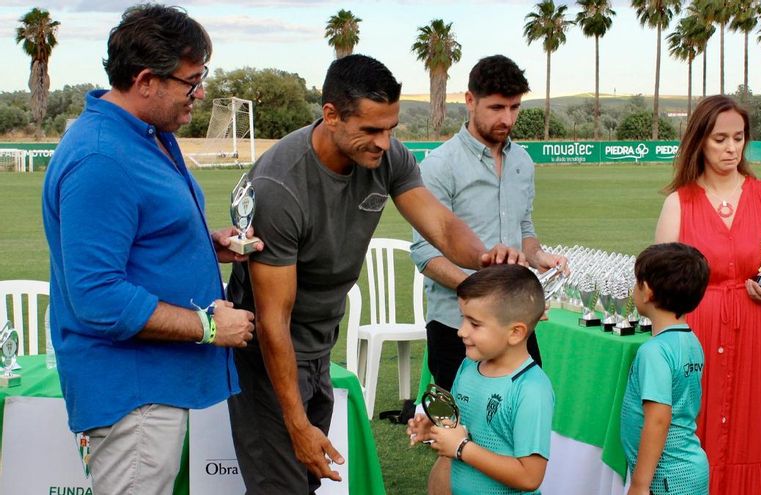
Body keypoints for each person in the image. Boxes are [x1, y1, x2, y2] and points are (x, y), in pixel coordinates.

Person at [225, 54, 525, 494]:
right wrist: (296, 422)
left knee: (304, 483)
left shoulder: (385, 156)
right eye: (370, 130)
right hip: (270, 357)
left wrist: (483, 259)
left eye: (391, 129)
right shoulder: (280, 188)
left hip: (318, 345)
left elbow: (439, 224)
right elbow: (274, 321)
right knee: (280, 487)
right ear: (330, 115)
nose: (384, 143)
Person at [41, 5, 257, 493]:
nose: (200, 93)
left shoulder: (149, 134)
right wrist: (207, 326)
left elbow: (143, 234)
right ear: (145, 81)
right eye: (191, 81)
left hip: (152, 384)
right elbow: (97, 297)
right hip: (131, 392)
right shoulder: (101, 156)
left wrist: (205, 246)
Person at [654, 94, 761, 494]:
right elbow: (659, 285)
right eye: (720, 139)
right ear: (699, 140)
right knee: (698, 422)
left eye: (739, 137)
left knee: (756, 424)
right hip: (698, 332)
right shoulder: (678, 203)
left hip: (758, 330)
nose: (731, 148)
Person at [411, 54, 565, 392]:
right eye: (496, 107)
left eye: (514, 107)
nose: (507, 118)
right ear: (469, 100)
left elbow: (524, 228)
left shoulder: (523, 161)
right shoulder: (440, 165)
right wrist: (479, 290)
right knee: (458, 437)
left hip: (515, 326)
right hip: (456, 326)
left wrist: (540, 256)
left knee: (520, 428)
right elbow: (424, 253)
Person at [407, 264, 555, 495]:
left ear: (515, 332)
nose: (461, 331)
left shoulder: (531, 390)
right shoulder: (468, 367)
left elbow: (529, 476)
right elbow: (461, 429)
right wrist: (437, 431)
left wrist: (462, 448)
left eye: (474, 324)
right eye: (463, 318)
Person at [620, 243, 711, 495]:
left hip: (667, 477)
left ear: (647, 291)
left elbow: (658, 419)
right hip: (688, 468)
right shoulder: (692, 341)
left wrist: (639, 484)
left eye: (636, 282)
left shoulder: (654, 351)